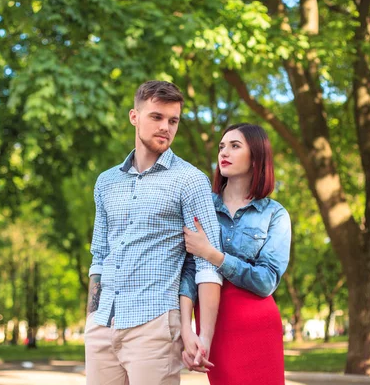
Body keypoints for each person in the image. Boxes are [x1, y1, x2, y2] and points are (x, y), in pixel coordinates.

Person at [85, 80, 222, 385]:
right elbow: (99, 256)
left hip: (155, 325)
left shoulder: (190, 180)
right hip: (103, 325)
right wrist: (91, 319)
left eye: (173, 121)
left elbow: (207, 264)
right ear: (134, 116)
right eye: (157, 117)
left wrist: (203, 334)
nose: (166, 127)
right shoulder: (106, 182)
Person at [179, 123, 291, 385]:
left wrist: (213, 255)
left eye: (234, 146)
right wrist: (188, 328)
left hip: (258, 323)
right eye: (221, 147)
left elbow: (266, 282)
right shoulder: (202, 206)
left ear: (256, 158)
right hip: (215, 321)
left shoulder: (275, 214)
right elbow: (187, 271)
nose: (223, 153)